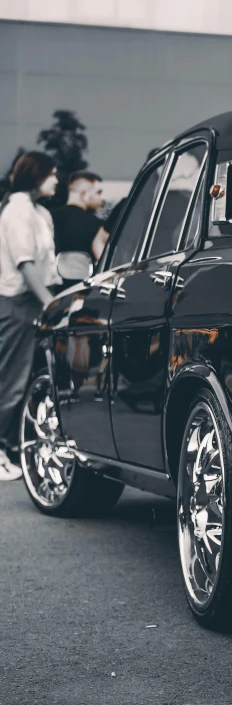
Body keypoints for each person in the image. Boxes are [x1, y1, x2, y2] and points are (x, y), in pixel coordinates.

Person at [0, 151, 61, 481]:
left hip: (33, 301)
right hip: (19, 302)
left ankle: (10, 449)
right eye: (51, 174)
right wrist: (50, 303)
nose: (56, 180)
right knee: (12, 379)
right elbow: (25, 263)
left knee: (26, 378)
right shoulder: (18, 211)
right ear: (36, 176)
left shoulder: (39, 212)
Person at [52, 171, 105, 267]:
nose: (102, 198)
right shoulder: (96, 225)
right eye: (98, 192)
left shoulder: (47, 217)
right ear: (84, 194)